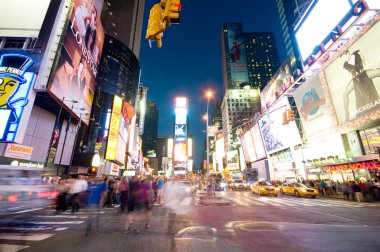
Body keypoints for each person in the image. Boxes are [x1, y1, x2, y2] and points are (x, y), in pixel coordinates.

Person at [343, 50, 380, 121]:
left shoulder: (357, 53)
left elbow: (366, 62)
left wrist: (373, 68)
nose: (344, 59)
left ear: (348, 53)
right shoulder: (345, 65)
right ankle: (346, 115)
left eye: (344, 57)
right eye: (342, 58)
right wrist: (350, 81)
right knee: (345, 94)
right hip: (355, 79)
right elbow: (348, 75)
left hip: (364, 74)